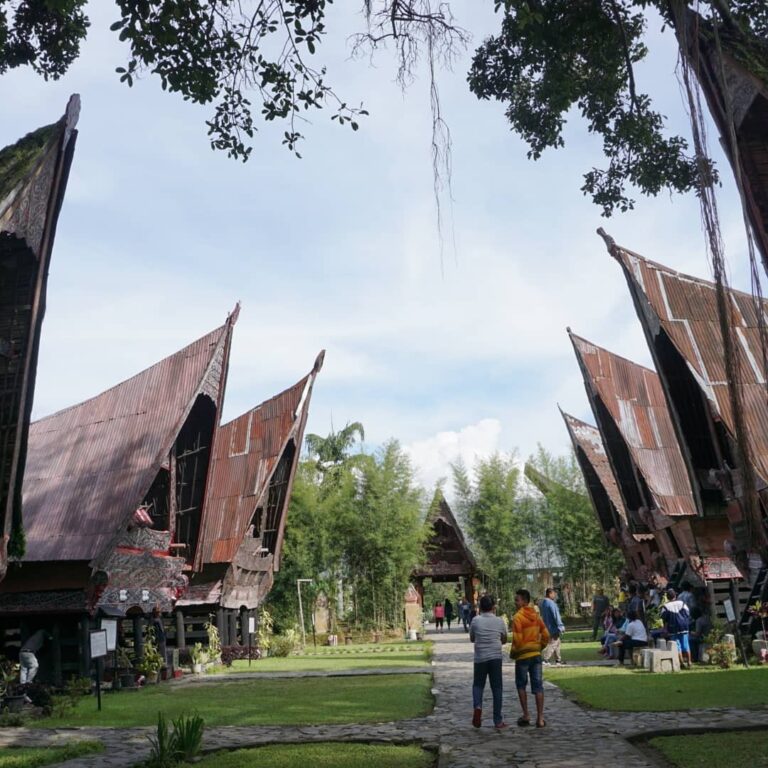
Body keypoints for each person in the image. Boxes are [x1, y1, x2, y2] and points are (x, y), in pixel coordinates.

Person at [511, 589, 549, 728]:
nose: (515, 602)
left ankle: (526, 714)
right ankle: (540, 718)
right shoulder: (536, 616)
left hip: (522, 656)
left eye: (517, 600)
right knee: (538, 686)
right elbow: (545, 635)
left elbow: (517, 640)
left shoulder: (518, 617)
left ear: (524, 601)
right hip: (536, 654)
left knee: (521, 685)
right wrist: (539, 647)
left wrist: (514, 654)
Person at [469, 594, 508, 729]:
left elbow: (472, 638)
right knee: (497, 688)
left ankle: (478, 706)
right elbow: (504, 639)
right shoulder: (500, 621)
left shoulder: (475, 621)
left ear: (480, 607)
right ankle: (497, 720)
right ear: (493, 607)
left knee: (478, 685)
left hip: (480, 658)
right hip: (495, 657)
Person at [661, 588, 692, 668]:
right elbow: (687, 613)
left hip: (673, 628)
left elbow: (664, 618)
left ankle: (682, 663)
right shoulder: (682, 603)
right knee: (686, 645)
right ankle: (689, 662)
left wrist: (665, 628)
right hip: (684, 626)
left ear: (667, 597)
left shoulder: (665, 606)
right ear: (675, 595)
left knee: (677, 646)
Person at [539, 587, 565, 666]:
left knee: (557, 642)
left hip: (546, 626)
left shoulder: (543, 603)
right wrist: (560, 626)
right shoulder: (551, 603)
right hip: (553, 627)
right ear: (550, 594)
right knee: (553, 643)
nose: (555, 596)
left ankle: (558, 660)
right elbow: (556, 615)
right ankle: (546, 659)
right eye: (554, 594)